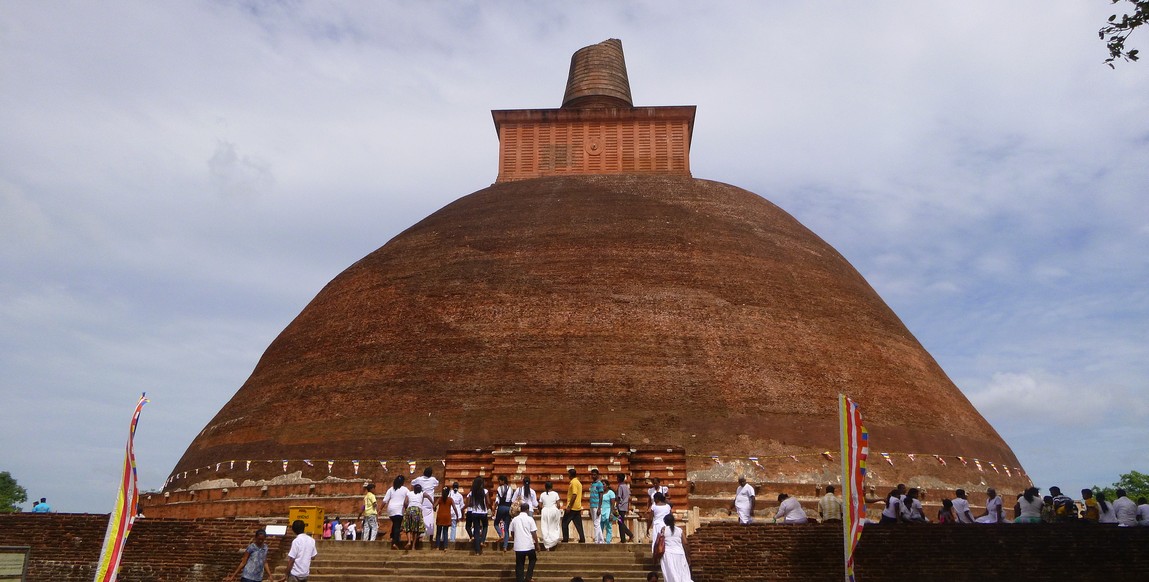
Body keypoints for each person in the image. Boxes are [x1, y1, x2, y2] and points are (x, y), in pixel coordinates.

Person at [509, 502, 539, 582]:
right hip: (529, 544)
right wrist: (537, 544)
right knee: (533, 559)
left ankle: (520, 579)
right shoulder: (530, 519)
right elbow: (533, 533)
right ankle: (529, 576)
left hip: (519, 545)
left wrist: (516, 537)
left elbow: (512, 532)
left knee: (519, 564)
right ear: (527, 510)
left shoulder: (515, 519)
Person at [657, 514, 693, 582]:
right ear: (674, 521)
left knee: (671, 574)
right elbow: (685, 543)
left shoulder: (663, 529)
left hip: (668, 554)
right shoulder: (679, 530)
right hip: (680, 554)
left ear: (665, 522)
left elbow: (659, 541)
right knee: (682, 573)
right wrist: (688, 556)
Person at [411, 467, 439, 541]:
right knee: (430, 521)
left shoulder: (419, 479)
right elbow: (437, 483)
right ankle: (430, 537)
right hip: (430, 503)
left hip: (421, 502)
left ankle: (418, 536)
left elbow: (412, 482)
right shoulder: (433, 480)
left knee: (419, 519)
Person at [403, 483, 433, 549]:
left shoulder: (409, 493)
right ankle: (413, 546)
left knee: (408, 527)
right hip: (417, 510)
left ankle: (409, 542)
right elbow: (428, 496)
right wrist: (433, 504)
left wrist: (406, 508)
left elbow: (405, 502)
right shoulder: (422, 493)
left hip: (409, 510)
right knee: (416, 529)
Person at [383, 476, 409, 549]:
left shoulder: (391, 489)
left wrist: (380, 509)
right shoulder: (405, 489)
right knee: (397, 526)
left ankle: (392, 536)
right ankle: (395, 542)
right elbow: (409, 497)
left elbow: (385, 500)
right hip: (399, 510)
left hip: (391, 510)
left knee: (395, 524)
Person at [467, 476, 490, 555]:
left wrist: (474, 504)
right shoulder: (485, 491)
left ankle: (477, 551)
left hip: (474, 512)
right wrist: (488, 507)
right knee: (485, 526)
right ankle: (482, 541)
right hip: (483, 512)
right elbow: (488, 502)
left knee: (476, 531)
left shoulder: (471, 492)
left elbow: (469, 503)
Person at [562, 469, 586, 543]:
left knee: (564, 522)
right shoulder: (578, 482)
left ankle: (565, 539)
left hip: (572, 507)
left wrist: (569, 506)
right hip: (577, 507)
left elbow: (574, 494)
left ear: (570, 475)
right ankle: (582, 538)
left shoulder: (573, 483)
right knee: (578, 524)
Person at [494, 475, 516, 552]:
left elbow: (497, 501)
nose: (499, 483)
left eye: (499, 481)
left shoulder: (499, 488)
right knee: (506, 528)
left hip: (501, 507)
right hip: (508, 508)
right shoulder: (511, 489)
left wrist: (494, 509)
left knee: (496, 523)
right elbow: (513, 500)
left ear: (503, 481)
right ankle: (505, 547)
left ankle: (501, 535)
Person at [539, 481, 562, 550]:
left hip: (545, 511)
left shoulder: (542, 494)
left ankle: (547, 543)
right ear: (552, 486)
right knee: (553, 527)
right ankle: (553, 541)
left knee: (545, 527)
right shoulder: (555, 494)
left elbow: (540, 505)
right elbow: (558, 505)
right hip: (553, 511)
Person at [615, 474, 634, 543]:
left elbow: (619, 498)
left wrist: (616, 507)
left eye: (617, 478)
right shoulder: (626, 486)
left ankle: (630, 534)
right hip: (625, 506)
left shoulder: (620, 487)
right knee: (620, 522)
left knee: (620, 522)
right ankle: (623, 539)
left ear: (619, 478)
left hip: (620, 507)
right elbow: (628, 497)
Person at [588, 469, 605, 543]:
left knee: (596, 523)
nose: (593, 476)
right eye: (592, 474)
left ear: (597, 475)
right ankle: (601, 540)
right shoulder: (592, 484)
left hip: (596, 506)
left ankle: (596, 540)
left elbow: (601, 496)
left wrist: (599, 508)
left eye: (594, 474)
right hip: (592, 505)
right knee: (596, 523)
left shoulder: (599, 484)